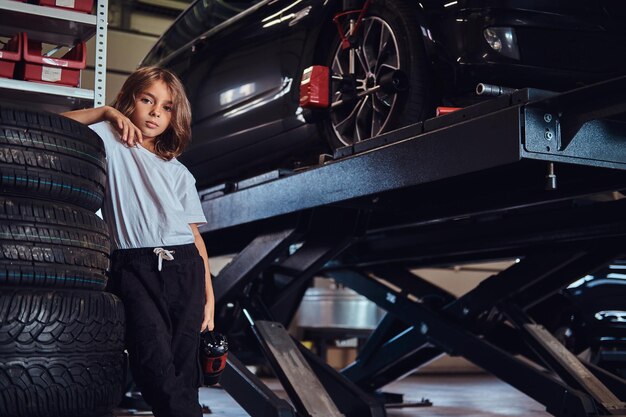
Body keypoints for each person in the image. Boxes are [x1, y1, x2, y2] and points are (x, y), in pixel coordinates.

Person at [62, 66, 214, 417]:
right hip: (134, 268)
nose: (156, 111)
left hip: (186, 266)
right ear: (130, 100)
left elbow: (194, 234)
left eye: (166, 107)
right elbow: (56, 123)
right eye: (147, 100)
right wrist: (104, 111)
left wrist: (210, 295)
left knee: (184, 368)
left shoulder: (177, 170)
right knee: (152, 362)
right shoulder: (107, 138)